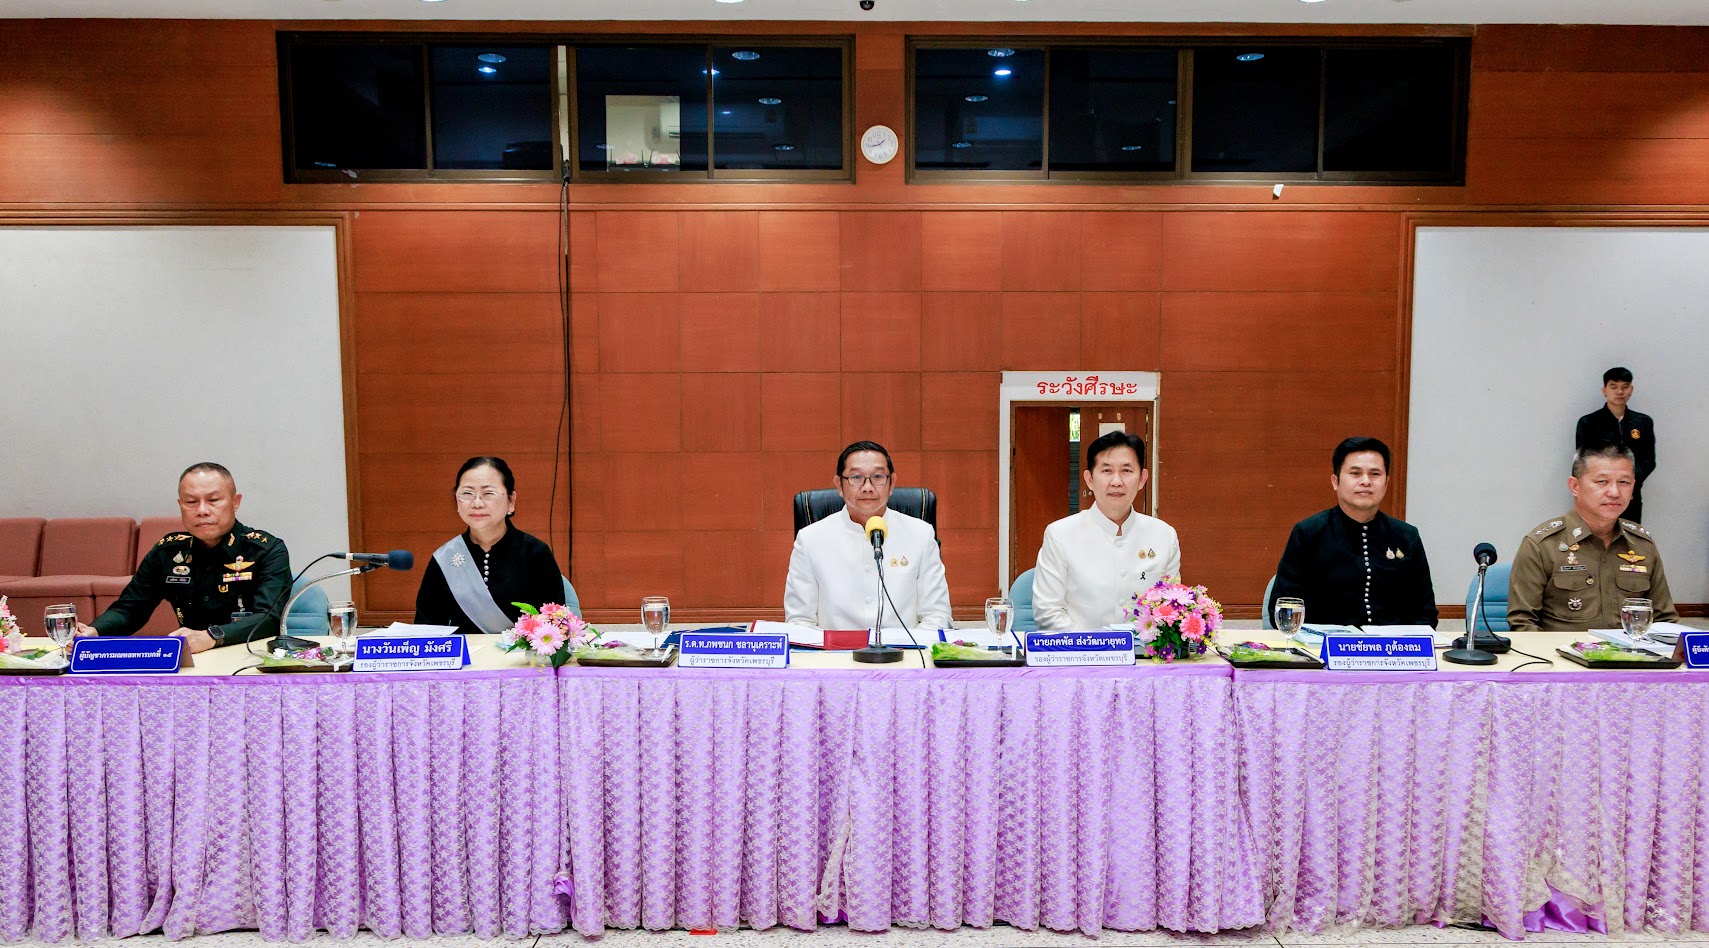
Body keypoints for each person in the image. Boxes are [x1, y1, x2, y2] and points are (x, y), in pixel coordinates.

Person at [76, 462, 291, 652]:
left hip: (247, 656)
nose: (202, 510)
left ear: (235, 502)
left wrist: (211, 637)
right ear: (180, 505)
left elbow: (269, 618)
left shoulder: (266, 550)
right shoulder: (168, 552)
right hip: (192, 660)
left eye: (213, 500)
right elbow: (129, 609)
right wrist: (95, 631)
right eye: (191, 502)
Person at [1266, 437, 1438, 628]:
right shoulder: (1308, 533)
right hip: (1325, 644)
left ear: (1386, 483)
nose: (1366, 481)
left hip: (1392, 645)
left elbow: (1425, 613)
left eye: (1375, 474)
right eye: (1355, 473)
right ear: (1336, 481)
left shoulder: (1406, 536)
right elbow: (1283, 609)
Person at [784, 440, 952, 631]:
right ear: (839, 485)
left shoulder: (920, 534)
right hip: (835, 650)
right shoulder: (810, 539)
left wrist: (909, 647)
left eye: (878, 477)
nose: (867, 487)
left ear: (892, 483)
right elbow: (800, 621)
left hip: (904, 648)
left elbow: (937, 615)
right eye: (856, 477)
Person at [1508, 444, 1676, 633]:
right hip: (1562, 651)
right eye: (1602, 482)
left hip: (1631, 651)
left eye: (1624, 482)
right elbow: (1522, 624)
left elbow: (1665, 621)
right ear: (1575, 486)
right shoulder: (1542, 545)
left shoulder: (1642, 544)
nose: (1614, 492)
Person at [1032, 431, 1180, 631]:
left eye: (1126, 470)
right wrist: (1096, 645)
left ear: (1142, 479)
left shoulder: (1164, 536)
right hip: (1080, 648)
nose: (1116, 481)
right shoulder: (1060, 534)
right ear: (1090, 479)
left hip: (1144, 650)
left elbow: (1172, 610)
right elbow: (1048, 612)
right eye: (1107, 470)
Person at [414, 456, 568, 635]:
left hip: (521, 653)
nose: (477, 503)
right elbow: (426, 630)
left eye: (488, 494)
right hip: (465, 653)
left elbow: (555, 627)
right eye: (467, 494)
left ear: (511, 500)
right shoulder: (444, 557)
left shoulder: (535, 553)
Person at [1574, 367, 1655, 523]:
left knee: (1629, 533)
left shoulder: (1643, 422)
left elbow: (1648, 460)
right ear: (1604, 390)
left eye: (1625, 387)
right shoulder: (1588, 422)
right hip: (1598, 494)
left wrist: (1628, 483)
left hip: (1630, 494)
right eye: (1614, 387)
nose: (1620, 392)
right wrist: (1604, 484)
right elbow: (1583, 461)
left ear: (1631, 390)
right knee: (1596, 534)